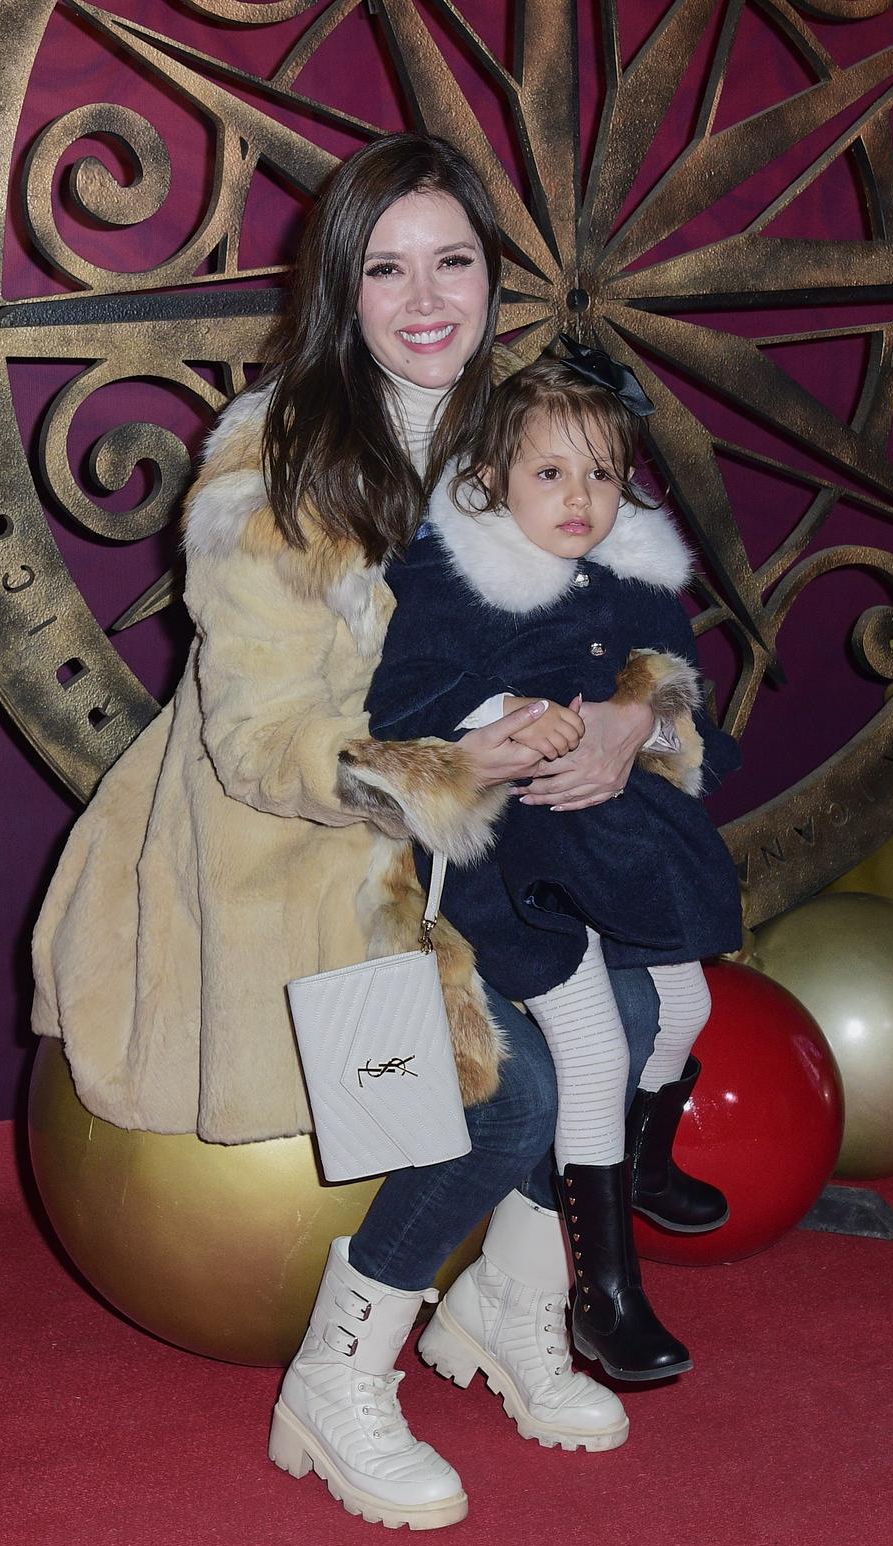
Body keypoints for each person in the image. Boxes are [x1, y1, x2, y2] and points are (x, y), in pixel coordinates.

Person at [29, 134, 681, 1531]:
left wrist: (635, 713)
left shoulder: (523, 425)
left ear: (494, 280)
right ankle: (337, 1382)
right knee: (495, 1093)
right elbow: (258, 745)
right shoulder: (273, 462)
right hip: (296, 850)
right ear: (341, 289)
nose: (427, 298)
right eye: (388, 269)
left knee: (623, 1008)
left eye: (454, 262)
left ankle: (509, 1311)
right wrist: (445, 766)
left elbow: (643, 614)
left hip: (484, 838)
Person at [365, 354, 743, 1384]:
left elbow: (683, 706)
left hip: (607, 838)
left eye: (604, 477)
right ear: (491, 476)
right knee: (589, 1041)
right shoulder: (455, 576)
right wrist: (498, 723)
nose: (580, 502)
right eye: (550, 476)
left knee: (687, 1005)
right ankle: (604, 1294)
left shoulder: (631, 574)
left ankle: (645, 1156)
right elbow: (402, 708)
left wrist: (644, 714)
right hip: (508, 851)